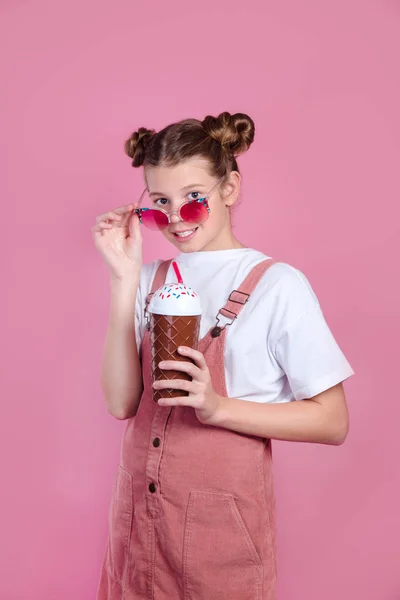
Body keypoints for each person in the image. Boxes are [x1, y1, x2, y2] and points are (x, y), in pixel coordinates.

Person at [92, 112, 354, 600]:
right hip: (138, 524)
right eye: (160, 204)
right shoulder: (150, 279)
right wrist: (123, 279)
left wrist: (217, 408)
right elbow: (121, 404)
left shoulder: (278, 285)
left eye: (193, 199)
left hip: (219, 535)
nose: (175, 219)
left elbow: (333, 421)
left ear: (229, 188)